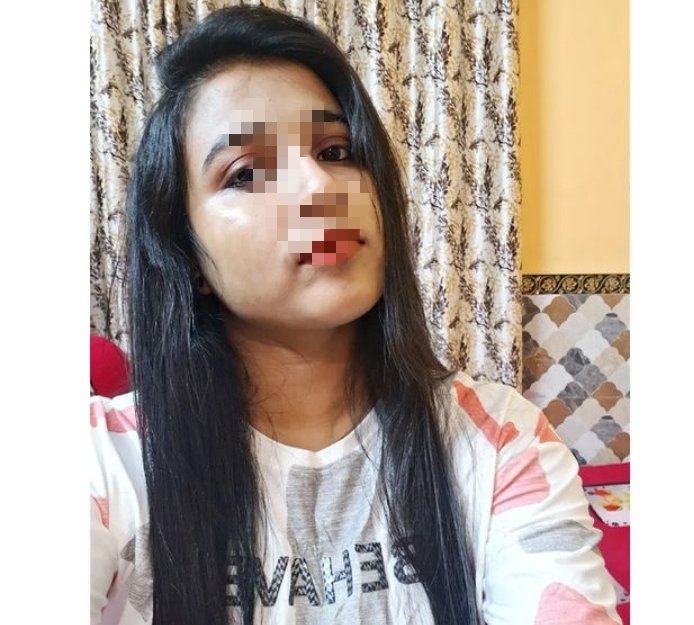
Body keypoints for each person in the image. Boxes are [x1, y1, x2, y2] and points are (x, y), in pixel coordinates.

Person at [90, 5, 621, 625]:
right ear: (188, 255)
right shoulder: (103, 465)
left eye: (337, 150)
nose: (320, 187)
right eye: (247, 172)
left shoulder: (500, 440)